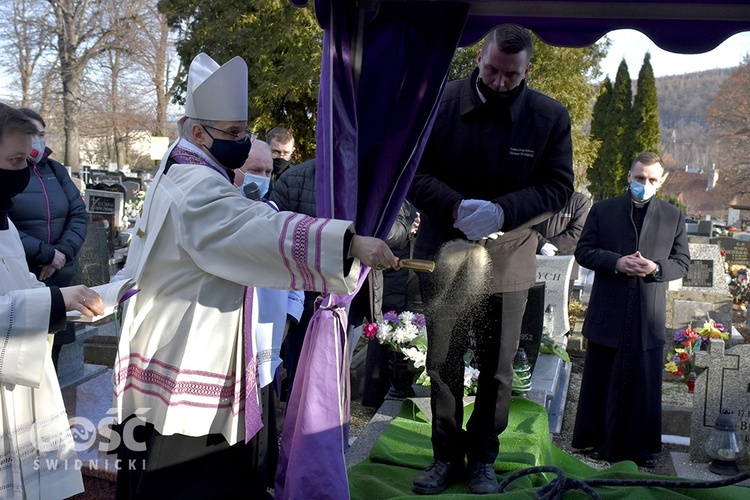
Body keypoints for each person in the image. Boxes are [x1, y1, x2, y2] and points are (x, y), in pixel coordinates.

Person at [112, 53, 397, 499]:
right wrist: (349, 244)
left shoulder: (183, 169)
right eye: (233, 134)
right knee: (188, 477)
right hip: (189, 354)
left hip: (168, 344)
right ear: (197, 132)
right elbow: (257, 228)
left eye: (245, 132)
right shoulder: (196, 185)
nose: (242, 143)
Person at [408, 24, 574, 495]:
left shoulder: (548, 117)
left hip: (508, 259)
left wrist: (504, 210)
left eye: (512, 74)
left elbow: (559, 187)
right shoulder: (438, 105)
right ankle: (444, 457)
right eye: (494, 70)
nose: (501, 81)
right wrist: (454, 207)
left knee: (499, 367)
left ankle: (483, 457)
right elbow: (413, 171)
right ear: (479, 60)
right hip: (446, 250)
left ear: (527, 70)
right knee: (442, 363)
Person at [0, 102, 104, 498]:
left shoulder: (2, 216)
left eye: (27, 159)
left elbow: (15, 281)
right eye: (13, 159)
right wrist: (56, 301)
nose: (23, 171)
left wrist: (58, 296)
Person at [571, 152, 690, 468]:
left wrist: (655, 267)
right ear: (629, 176)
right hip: (609, 308)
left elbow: (682, 262)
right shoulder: (604, 210)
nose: (645, 184)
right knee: (602, 378)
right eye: (640, 178)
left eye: (652, 180)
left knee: (642, 382)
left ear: (661, 182)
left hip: (646, 315)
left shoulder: (672, 216)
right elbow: (583, 252)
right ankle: (597, 441)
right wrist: (616, 262)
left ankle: (640, 448)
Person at [9, 108, 89, 370]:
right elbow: (7, 227)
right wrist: (45, 254)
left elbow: (78, 213)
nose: (38, 140)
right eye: (32, 134)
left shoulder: (55, 170)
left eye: (41, 134)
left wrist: (61, 254)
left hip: (60, 276)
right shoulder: (12, 175)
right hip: (26, 274)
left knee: (52, 359)